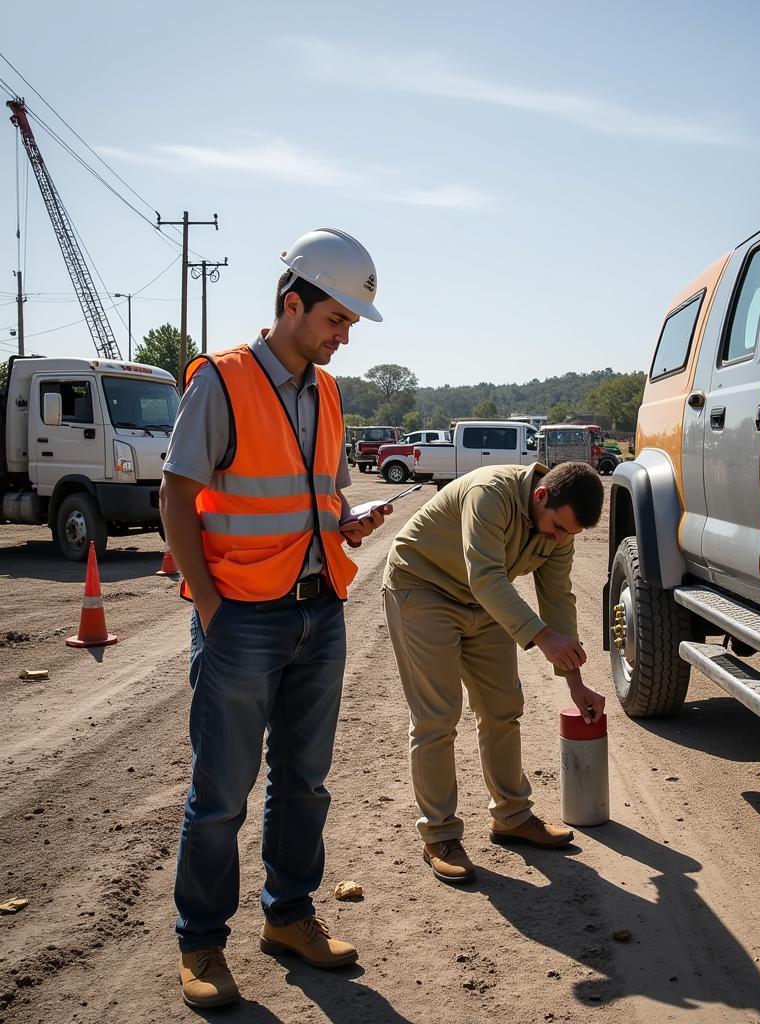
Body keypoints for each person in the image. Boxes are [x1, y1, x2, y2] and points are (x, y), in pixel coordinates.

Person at [161, 228, 391, 1010]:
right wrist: (211, 602)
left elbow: (316, 497)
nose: (346, 335)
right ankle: (200, 941)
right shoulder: (220, 382)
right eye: (337, 319)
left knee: (305, 784)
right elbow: (175, 495)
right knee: (221, 790)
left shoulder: (327, 393)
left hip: (318, 611)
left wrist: (346, 521)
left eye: (352, 323)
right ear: (292, 304)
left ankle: (288, 916)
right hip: (242, 621)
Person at [382, 460, 607, 884]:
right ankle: (440, 835)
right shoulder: (491, 493)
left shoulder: (560, 530)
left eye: (568, 534)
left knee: (503, 707)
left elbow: (557, 597)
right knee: (437, 716)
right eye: (557, 527)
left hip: (481, 601)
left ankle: (512, 817)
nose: (560, 539)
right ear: (541, 495)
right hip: (423, 587)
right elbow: (485, 576)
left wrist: (575, 683)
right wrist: (541, 638)